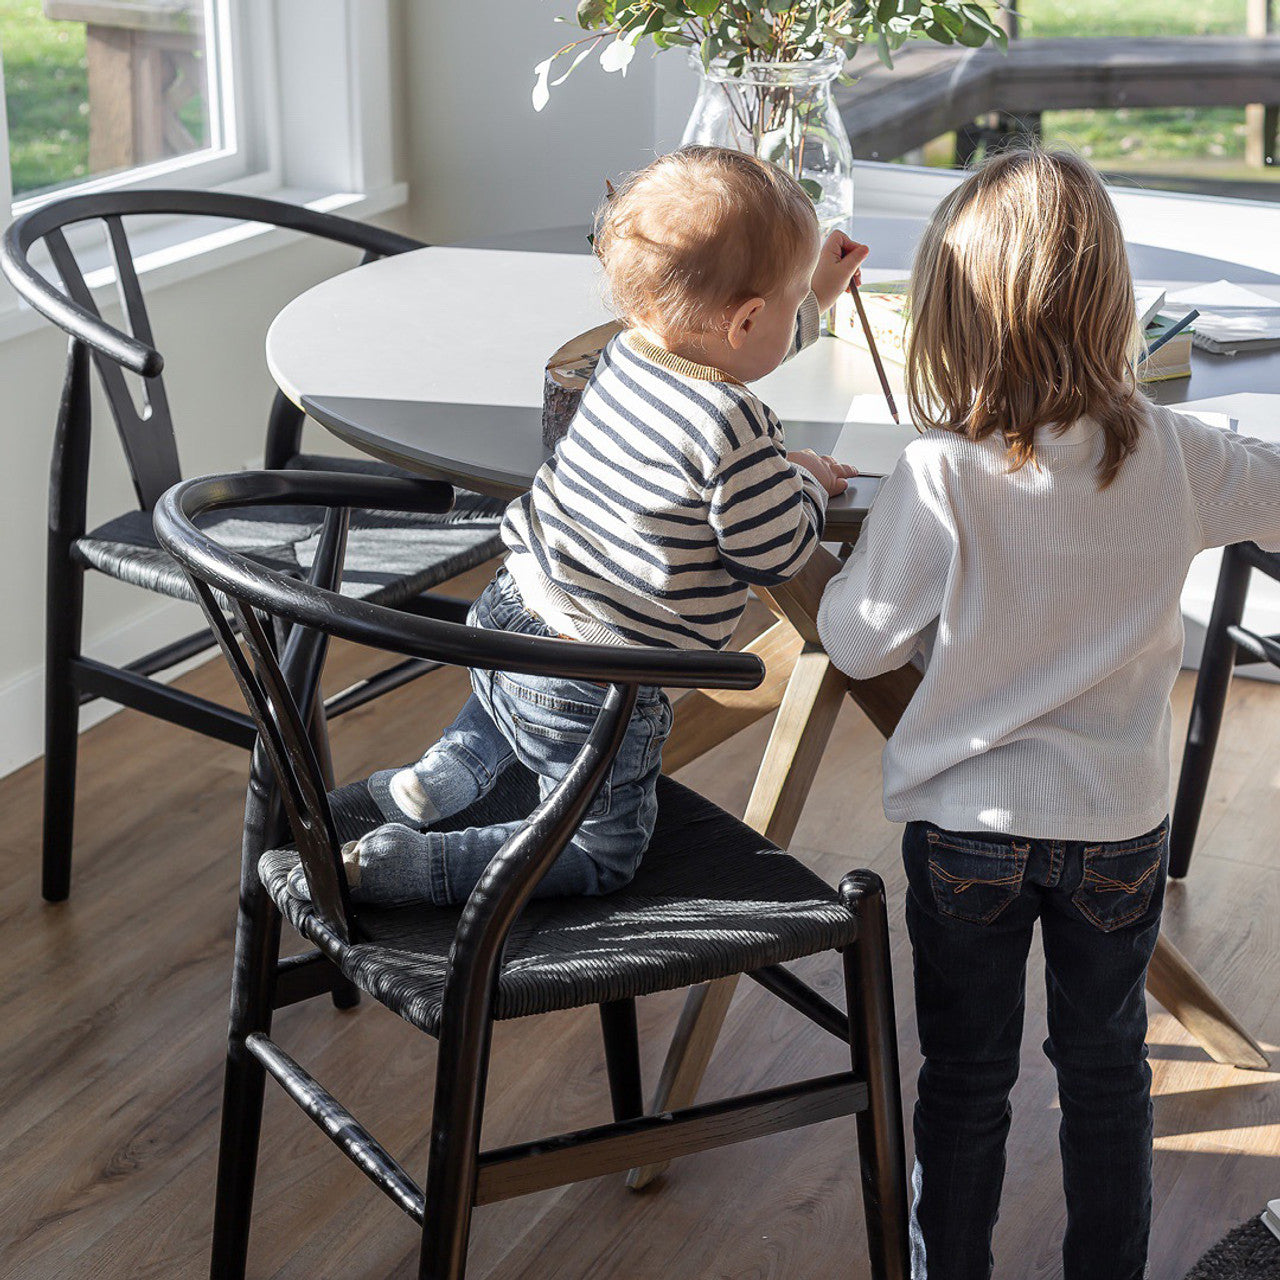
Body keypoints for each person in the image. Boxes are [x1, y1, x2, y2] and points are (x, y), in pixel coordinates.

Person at [817, 145, 1280, 1280]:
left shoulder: (936, 473)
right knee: (1106, 1070)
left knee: (964, 1080)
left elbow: (853, 639)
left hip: (966, 832)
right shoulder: (1176, 455)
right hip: (1115, 833)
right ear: (1109, 301)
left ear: (950, 316)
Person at [327, 145, 867, 908]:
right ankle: (409, 868)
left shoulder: (627, 351)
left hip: (513, 608)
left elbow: (734, 343)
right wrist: (805, 480)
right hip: (596, 679)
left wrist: (811, 299)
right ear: (746, 317)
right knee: (601, 852)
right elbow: (772, 549)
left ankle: (432, 785)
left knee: (493, 730)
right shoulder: (735, 423)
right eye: (783, 306)